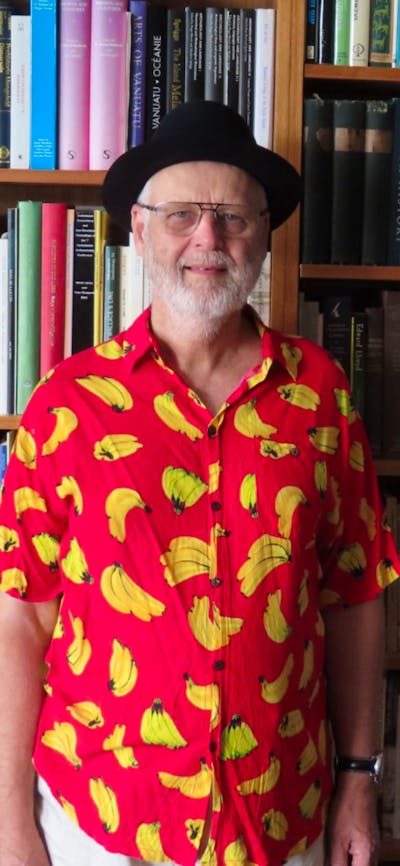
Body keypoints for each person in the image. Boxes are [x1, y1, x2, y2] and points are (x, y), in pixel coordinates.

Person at [0, 100, 398, 866]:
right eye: (182, 215)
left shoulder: (320, 393)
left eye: (232, 217)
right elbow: (20, 618)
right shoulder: (68, 404)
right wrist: (9, 817)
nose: (208, 239)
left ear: (264, 235)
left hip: (282, 817)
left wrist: (359, 777)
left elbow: (354, 595)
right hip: (98, 825)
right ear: (140, 229)